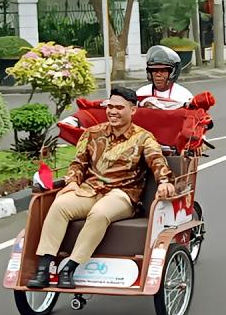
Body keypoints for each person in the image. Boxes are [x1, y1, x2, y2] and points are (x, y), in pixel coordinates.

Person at [27, 87, 177, 290]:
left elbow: (157, 161)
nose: (113, 111)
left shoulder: (144, 138)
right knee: (59, 205)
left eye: (119, 108)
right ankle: (43, 268)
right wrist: (72, 182)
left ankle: (69, 268)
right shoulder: (92, 133)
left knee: (99, 213)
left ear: (132, 110)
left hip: (123, 194)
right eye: (110, 106)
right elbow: (77, 163)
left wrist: (165, 181)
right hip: (90, 189)